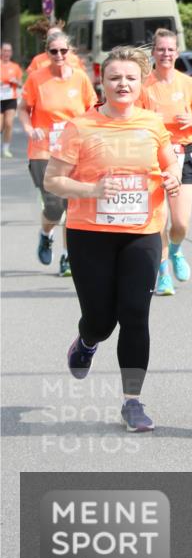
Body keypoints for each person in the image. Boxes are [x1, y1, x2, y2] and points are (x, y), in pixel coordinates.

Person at [43, 46, 181, 432]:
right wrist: (91, 191)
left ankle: (132, 401)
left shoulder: (153, 124)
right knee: (101, 320)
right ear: (102, 81)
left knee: (135, 316)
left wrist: (171, 178)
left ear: (141, 83)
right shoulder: (81, 126)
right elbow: (53, 179)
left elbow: (170, 164)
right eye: (115, 78)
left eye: (131, 78)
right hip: (91, 235)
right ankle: (86, 342)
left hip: (142, 232)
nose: (123, 84)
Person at [18, 31, 97, 276]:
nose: (59, 55)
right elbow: (23, 108)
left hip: (73, 150)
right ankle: (46, 233)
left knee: (72, 205)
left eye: (64, 51)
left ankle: (67, 257)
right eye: (54, 51)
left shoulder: (81, 79)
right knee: (54, 207)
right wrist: (30, 129)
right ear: (47, 53)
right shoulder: (36, 79)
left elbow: (92, 108)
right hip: (43, 150)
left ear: (70, 51)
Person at [138, 28, 192, 295]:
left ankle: (177, 251)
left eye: (170, 49)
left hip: (184, 153)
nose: (166, 54)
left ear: (177, 53)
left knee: (180, 222)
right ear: (153, 53)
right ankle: (163, 273)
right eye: (161, 49)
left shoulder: (187, 83)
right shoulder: (144, 85)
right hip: (154, 156)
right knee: (160, 219)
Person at [1, 42, 23, 158]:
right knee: (0, 125)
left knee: (9, 123)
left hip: (10, 98)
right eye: (4, 50)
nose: (6, 53)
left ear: (11, 53)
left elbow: (21, 84)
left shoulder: (15, 67)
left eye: (8, 51)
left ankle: (5, 149)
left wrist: (16, 81)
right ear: (1, 51)